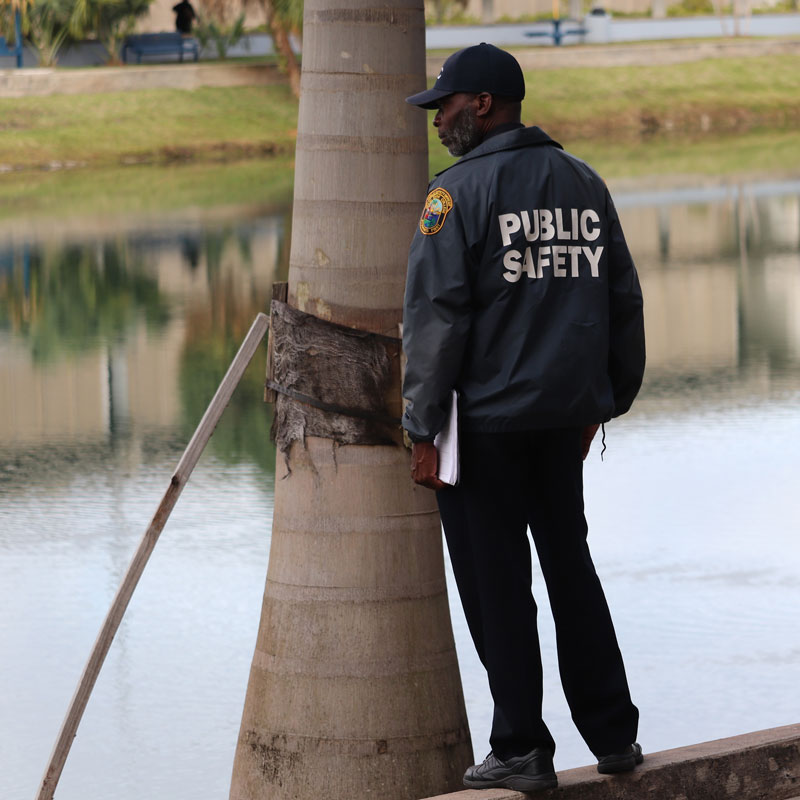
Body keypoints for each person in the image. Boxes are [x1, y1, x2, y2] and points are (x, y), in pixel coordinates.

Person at [401, 43, 646, 792]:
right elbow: (622, 300)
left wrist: (421, 428)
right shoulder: (584, 182)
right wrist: (607, 401)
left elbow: (436, 321)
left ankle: (520, 747)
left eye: (446, 104)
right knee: (571, 569)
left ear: (483, 104)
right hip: (563, 422)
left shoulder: (454, 196)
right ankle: (615, 736)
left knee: (496, 584)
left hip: (485, 428)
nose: (438, 119)